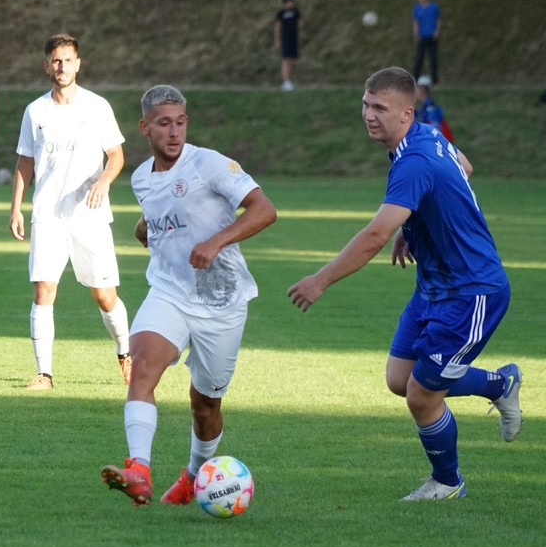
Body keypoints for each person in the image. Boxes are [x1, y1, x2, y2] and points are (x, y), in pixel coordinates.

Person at [287, 67, 521, 502]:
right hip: (434, 286)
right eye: (365, 104)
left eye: (379, 108)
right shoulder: (425, 135)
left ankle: (447, 482)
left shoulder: (413, 161)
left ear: (405, 113)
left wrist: (321, 280)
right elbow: (464, 166)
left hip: (471, 292)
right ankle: (498, 384)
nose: (368, 115)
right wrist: (411, 223)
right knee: (400, 378)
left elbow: (374, 234)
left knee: (421, 395)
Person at [101, 84, 277, 507]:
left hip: (221, 301)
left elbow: (264, 210)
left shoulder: (209, 163)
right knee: (142, 366)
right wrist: (146, 228)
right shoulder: (141, 178)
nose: (174, 131)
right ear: (144, 127)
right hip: (169, 292)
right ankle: (138, 470)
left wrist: (216, 241)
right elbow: (157, 216)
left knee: (205, 405)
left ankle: (194, 475)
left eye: (180, 122)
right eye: (164, 123)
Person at [9, 33, 132, 391]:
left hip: (89, 215)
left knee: (104, 295)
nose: (61, 66)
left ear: (78, 64)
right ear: (46, 65)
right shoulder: (35, 111)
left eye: (67, 60)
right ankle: (44, 374)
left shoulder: (97, 107)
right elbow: (25, 162)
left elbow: (116, 155)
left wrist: (104, 182)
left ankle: (126, 354)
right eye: (55, 60)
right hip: (47, 215)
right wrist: (16, 208)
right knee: (43, 291)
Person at [414, 75, 457, 148]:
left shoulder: (431, 108)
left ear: (422, 90)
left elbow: (434, 130)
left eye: (416, 89)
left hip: (439, 146)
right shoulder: (423, 108)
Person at [273, 0, 301, 91]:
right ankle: (286, 81)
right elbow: (277, 27)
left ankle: (288, 79)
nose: (290, 3)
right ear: (285, 2)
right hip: (285, 38)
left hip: (294, 38)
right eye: (288, 2)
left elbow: (299, 24)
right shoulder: (281, 13)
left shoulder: (296, 12)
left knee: (293, 60)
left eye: (291, 1)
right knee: (285, 59)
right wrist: (277, 40)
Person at [412, 0, 440, 85]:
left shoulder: (433, 7)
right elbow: (416, 22)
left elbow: (438, 20)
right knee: (419, 58)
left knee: (433, 59)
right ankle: (415, 80)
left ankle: (435, 81)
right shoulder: (417, 8)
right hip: (422, 36)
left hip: (432, 36)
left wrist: (437, 31)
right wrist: (416, 33)